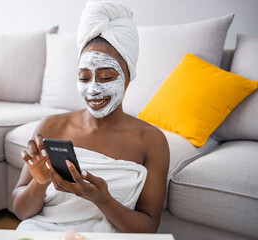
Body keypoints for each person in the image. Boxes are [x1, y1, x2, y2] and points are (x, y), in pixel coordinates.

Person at [12, 0, 169, 233]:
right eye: (84, 78)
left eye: (106, 77)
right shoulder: (52, 126)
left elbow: (147, 228)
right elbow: (21, 211)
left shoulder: (151, 141)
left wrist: (103, 200)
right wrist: (40, 181)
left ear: (129, 75)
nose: (93, 89)